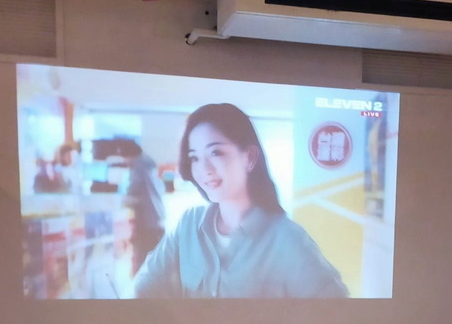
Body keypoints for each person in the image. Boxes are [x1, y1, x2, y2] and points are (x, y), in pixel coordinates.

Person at [132, 103, 349, 298]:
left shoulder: (287, 238)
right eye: (195, 157)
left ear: (249, 158)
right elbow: (144, 286)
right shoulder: (188, 224)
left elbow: (336, 309)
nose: (204, 169)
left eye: (215, 153)